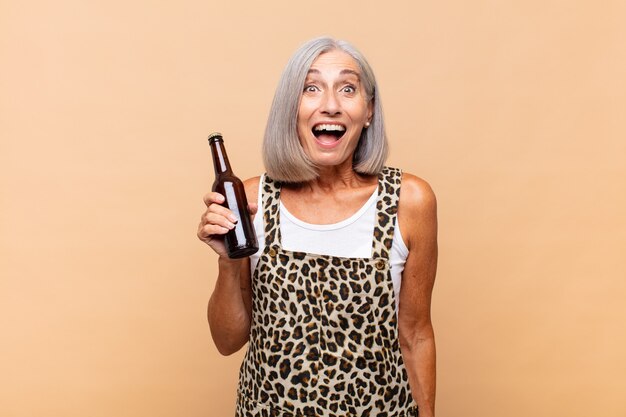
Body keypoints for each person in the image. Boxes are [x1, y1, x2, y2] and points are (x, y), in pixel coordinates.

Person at [197, 37, 438, 417]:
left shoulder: (409, 201)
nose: (330, 105)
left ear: (369, 110)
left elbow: (416, 333)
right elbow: (227, 342)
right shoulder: (252, 200)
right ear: (291, 109)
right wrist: (229, 262)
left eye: (347, 88)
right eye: (311, 88)